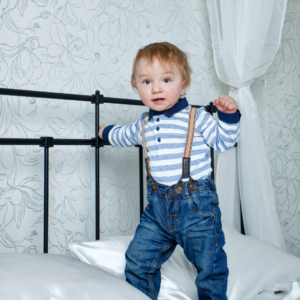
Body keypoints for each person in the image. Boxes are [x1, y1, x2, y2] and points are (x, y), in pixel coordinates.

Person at [98, 42, 240, 300]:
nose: (156, 88)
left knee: (210, 267)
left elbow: (224, 142)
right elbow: (122, 135)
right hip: (157, 212)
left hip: (197, 209)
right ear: (136, 87)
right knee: (138, 260)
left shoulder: (198, 117)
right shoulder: (143, 124)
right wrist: (104, 132)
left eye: (166, 79)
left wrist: (229, 116)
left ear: (183, 85)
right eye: (146, 81)